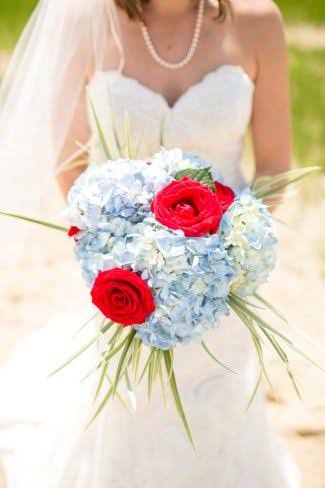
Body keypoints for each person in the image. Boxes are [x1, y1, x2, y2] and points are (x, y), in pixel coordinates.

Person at [0, 0, 299, 486]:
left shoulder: (258, 20)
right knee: (129, 405)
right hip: (126, 269)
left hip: (223, 276)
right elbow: (70, 165)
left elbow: (274, 166)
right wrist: (119, 254)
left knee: (220, 395)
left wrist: (229, 257)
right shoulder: (85, 20)